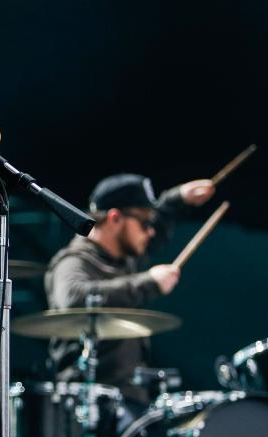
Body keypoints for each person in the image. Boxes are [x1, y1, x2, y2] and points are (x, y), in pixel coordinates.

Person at [44, 173, 213, 408]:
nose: (151, 231)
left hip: (131, 399)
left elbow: (158, 225)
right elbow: (74, 298)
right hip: (90, 405)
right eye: (145, 223)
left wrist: (178, 199)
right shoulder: (74, 262)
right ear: (115, 218)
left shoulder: (123, 260)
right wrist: (148, 283)